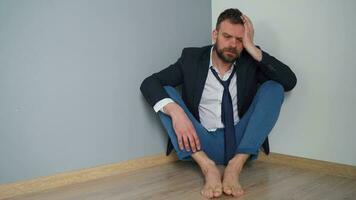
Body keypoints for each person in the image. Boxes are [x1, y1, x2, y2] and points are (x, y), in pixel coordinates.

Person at [140, 8, 297, 198]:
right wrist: (176, 113)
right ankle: (208, 168)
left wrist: (252, 47)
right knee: (166, 93)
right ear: (215, 35)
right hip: (200, 141)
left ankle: (234, 167)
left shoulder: (249, 61)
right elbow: (149, 83)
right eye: (227, 36)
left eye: (239, 40)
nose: (232, 44)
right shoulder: (192, 59)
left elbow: (289, 81)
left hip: (242, 142)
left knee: (274, 88)